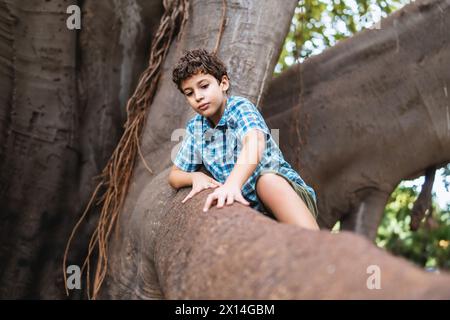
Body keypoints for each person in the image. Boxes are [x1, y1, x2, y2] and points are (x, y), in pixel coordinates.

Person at [168, 48, 319, 230]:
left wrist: (232, 185)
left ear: (223, 83)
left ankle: (314, 241)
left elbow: (255, 143)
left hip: (286, 195)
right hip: (252, 208)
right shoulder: (196, 128)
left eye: (204, 86)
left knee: (266, 182)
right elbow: (174, 176)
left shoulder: (239, 108)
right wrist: (194, 177)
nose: (198, 97)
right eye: (189, 93)